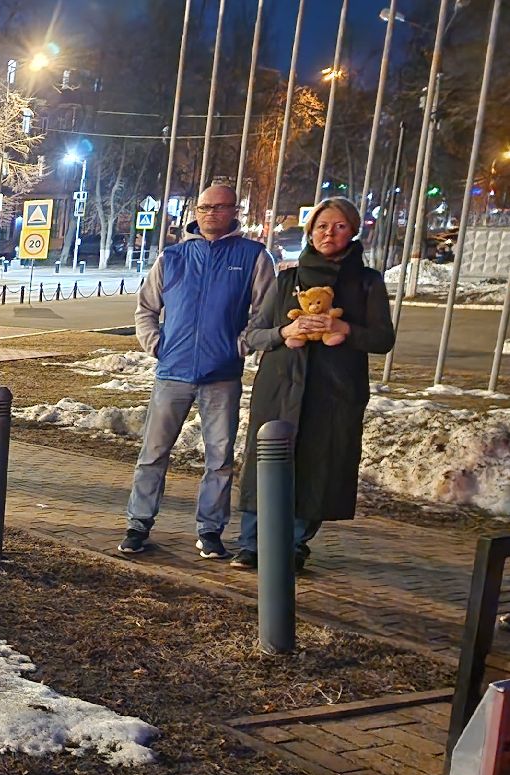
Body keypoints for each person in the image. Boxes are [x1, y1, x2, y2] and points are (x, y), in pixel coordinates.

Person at [231, 197, 394, 572]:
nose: (329, 233)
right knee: (267, 461)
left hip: (334, 390)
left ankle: (294, 544)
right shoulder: (287, 279)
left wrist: (345, 329)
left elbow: (383, 339)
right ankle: (252, 543)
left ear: (353, 230)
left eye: (338, 226)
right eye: (321, 226)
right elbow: (255, 335)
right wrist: (285, 330)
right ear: (310, 231)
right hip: (280, 385)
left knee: (320, 463)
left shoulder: (367, 282)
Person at [119, 183, 276, 560]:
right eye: (204, 207)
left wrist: (238, 347)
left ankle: (210, 530)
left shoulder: (253, 256)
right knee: (153, 453)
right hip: (172, 372)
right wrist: (156, 345)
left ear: (233, 210)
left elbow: (263, 315)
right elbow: (145, 309)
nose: (210, 213)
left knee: (219, 459)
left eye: (219, 207)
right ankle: (138, 524)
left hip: (221, 375)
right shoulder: (172, 257)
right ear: (195, 210)